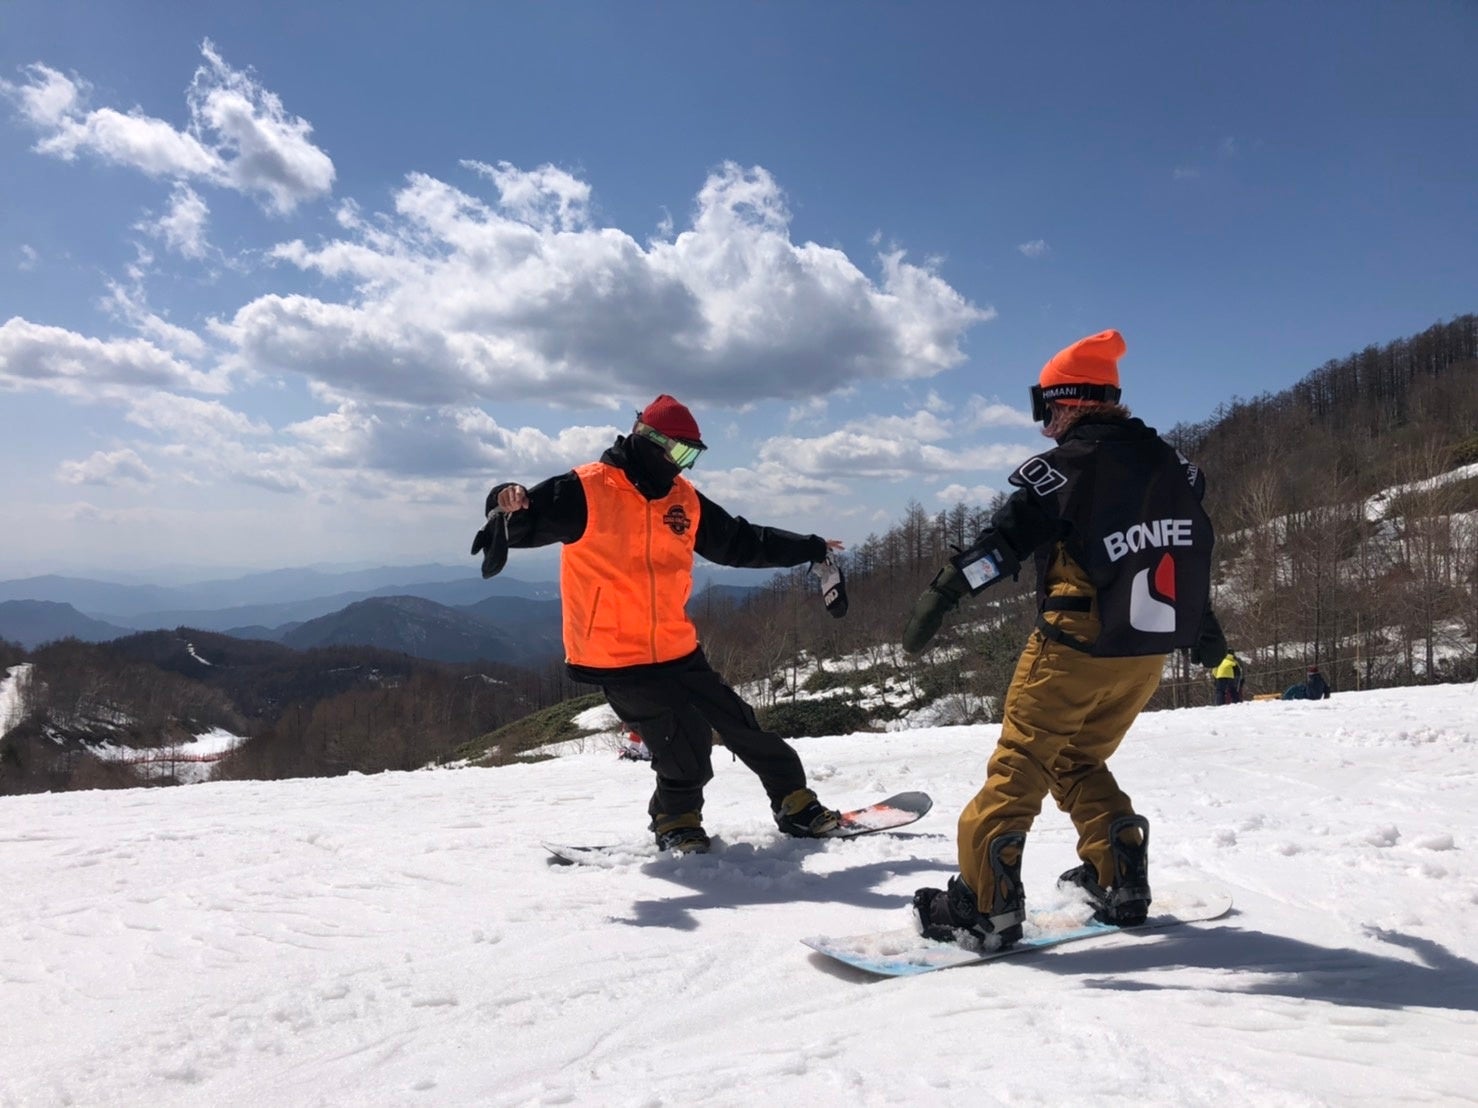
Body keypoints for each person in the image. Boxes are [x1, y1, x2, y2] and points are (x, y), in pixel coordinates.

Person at [901, 329, 1226, 951]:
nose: (1043, 422)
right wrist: (1211, 643)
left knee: (1020, 765)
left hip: (1074, 644)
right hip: (1145, 650)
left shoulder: (1065, 471)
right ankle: (1118, 876)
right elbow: (1178, 560)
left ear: (1071, 402)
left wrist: (945, 590)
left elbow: (1003, 545)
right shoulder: (1174, 470)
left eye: (1044, 406)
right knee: (1077, 760)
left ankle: (982, 909)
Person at [470, 394, 845, 854]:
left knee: (740, 722)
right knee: (683, 740)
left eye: (693, 456)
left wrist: (807, 547)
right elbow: (522, 513)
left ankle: (795, 802)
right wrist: (502, 502)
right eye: (681, 453)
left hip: (675, 646)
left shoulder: (682, 499)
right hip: (615, 656)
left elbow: (741, 542)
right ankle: (676, 820)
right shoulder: (586, 490)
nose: (684, 467)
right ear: (649, 441)